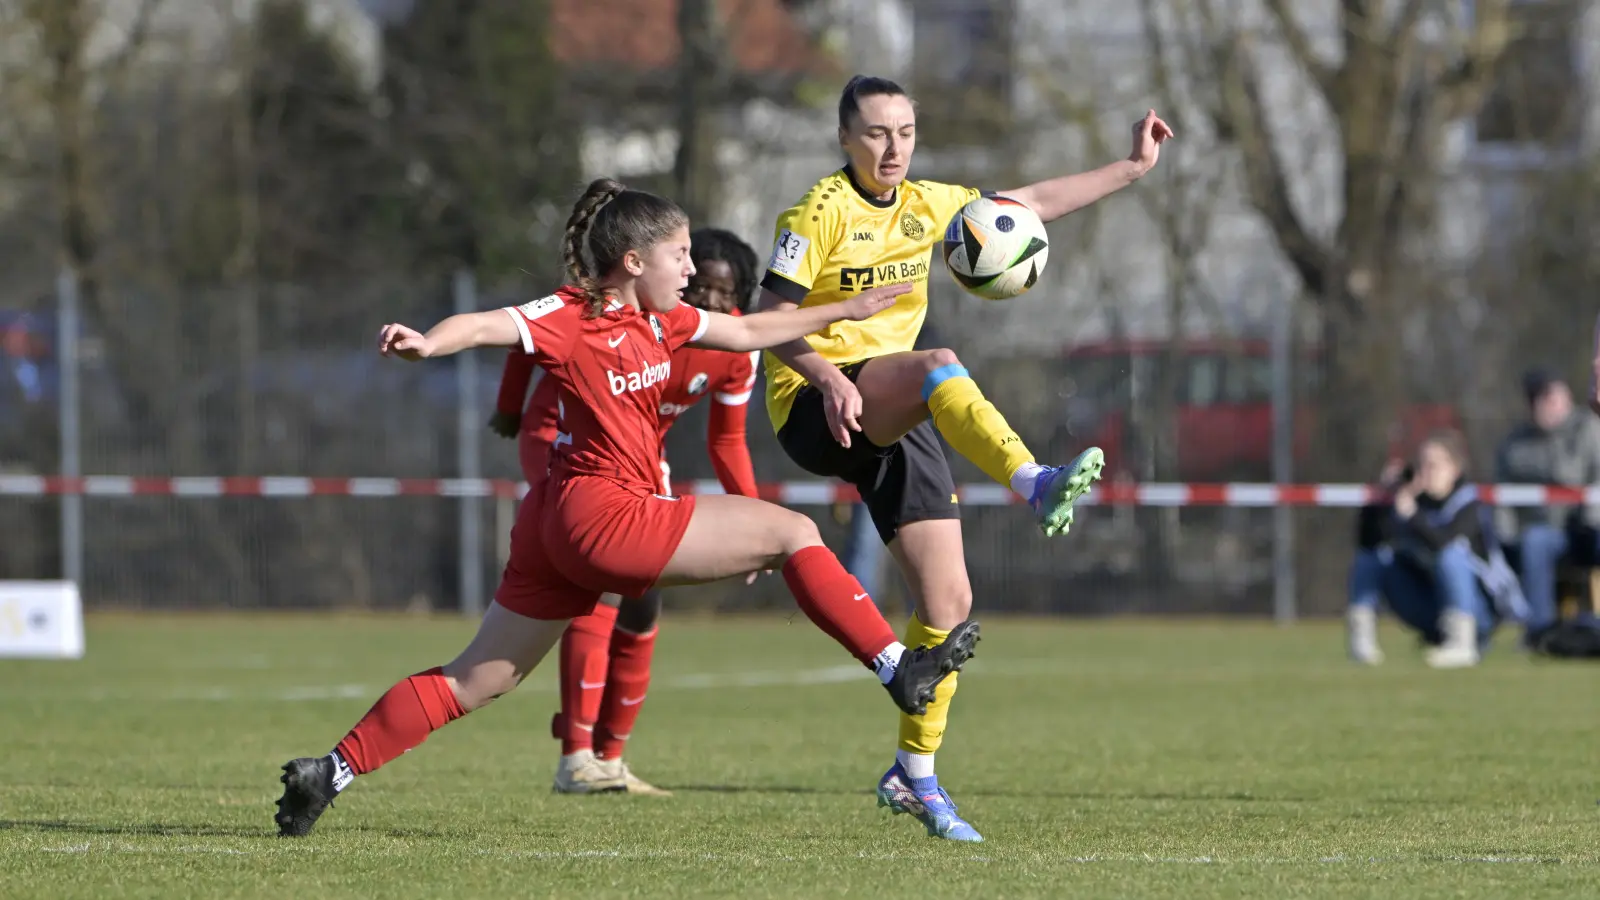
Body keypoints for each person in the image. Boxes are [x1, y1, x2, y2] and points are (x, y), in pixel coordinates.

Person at [274, 179, 981, 837]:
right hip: (602, 514)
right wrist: (429, 342)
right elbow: (486, 324)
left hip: (553, 523)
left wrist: (845, 310)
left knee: (475, 678)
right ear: (636, 260)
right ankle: (899, 668)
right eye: (679, 255)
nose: (689, 267)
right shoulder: (571, 315)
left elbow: (744, 333)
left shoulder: (665, 320)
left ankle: (327, 774)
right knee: (792, 531)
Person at [754, 74, 1172, 842]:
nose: (893, 147)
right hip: (816, 403)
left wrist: (1132, 168)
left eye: (905, 132)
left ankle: (914, 778)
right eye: (877, 133)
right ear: (845, 139)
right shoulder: (816, 213)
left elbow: (1033, 203)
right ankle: (1035, 480)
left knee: (948, 609)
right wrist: (820, 375)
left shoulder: (928, 203)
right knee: (939, 359)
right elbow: (767, 319)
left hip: (895, 401)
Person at [487, 228, 764, 795]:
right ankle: (576, 759)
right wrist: (509, 407)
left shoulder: (734, 348)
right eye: (699, 285)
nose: (706, 300)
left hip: (636, 451)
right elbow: (527, 337)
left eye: (721, 292)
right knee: (603, 579)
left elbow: (728, 442)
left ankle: (610, 759)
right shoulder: (644, 317)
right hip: (561, 436)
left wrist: (753, 519)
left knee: (643, 603)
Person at [1347, 432, 1523, 668]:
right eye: (1421, 465)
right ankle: (1362, 642)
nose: (1426, 472)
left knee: (1451, 555)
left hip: (1478, 611)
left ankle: (1462, 644)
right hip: (1431, 605)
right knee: (1372, 558)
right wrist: (1382, 499)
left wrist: (1412, 516)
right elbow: (1367, 541)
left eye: (1434, 465)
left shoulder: (1469, 502)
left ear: (1455, 469)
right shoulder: (1413, 501)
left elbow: (1444, 542)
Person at [1493, 369, 1600, 643]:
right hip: (1549, 531)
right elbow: (1502, 493)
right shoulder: (1517, 442)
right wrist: (1506, 539)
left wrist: (1590, 520)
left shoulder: (1588, 428)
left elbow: (1587, 475)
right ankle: (1539, 632)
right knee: (1534, 542)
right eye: (1546, 399)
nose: (1554, 405)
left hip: (1591, 526)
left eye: (1558, 397)